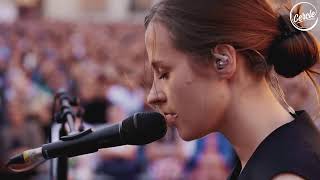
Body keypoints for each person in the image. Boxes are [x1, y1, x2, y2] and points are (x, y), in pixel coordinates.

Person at [144, 0, 320, 179]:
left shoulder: (285, 174)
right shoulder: (275, 156)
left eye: (164, 73)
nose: (152, 96)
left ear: (222, 60)